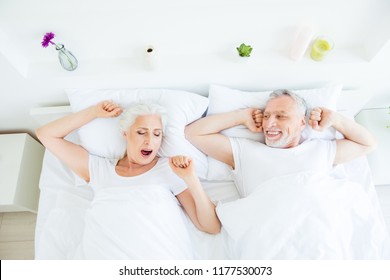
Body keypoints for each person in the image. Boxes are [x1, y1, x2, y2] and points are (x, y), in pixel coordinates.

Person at [36, 101, 220, 259]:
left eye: (157, 134)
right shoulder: (100, 169)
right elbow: (45, 134)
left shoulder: (169, 169)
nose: (150, 141)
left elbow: (211, 227)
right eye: (141, 132)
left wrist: (191, 179)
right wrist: (93, 112)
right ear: (125, 133)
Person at [185, 89, 377, 197]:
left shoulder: (320, 150)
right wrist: (240, 117)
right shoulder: (246, 152)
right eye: (266, 115)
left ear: (302, 122)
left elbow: (368, 144)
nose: (269, 123)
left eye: (281, 116)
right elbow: (194, 133)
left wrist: (335, 120)